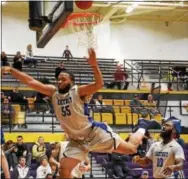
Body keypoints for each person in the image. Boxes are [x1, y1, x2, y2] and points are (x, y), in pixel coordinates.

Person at [2, 48, 160, 178]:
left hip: (95, 133)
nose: (59, 81)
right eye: (58, 79)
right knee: (64, 170)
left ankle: (142, 125)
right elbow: (30, 81)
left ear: (71, 81)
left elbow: (99, 83)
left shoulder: (77, 91)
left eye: (63, 79)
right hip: (77, 141)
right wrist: (11, 69)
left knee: (131, 149)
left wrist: (94, 64)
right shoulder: (53, 92)